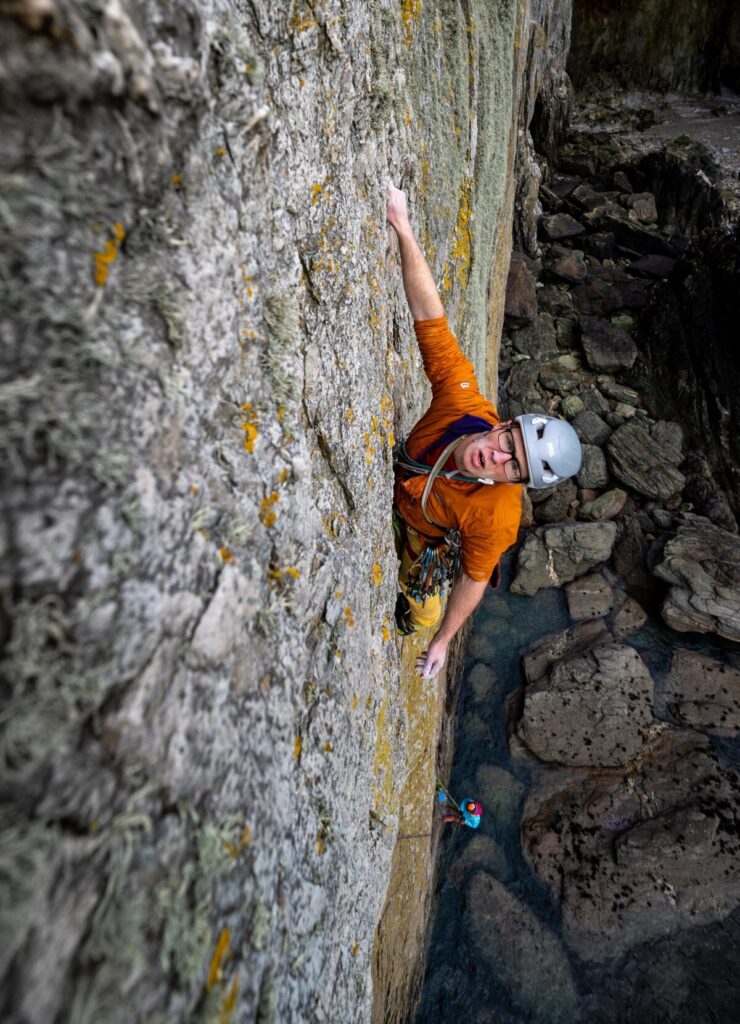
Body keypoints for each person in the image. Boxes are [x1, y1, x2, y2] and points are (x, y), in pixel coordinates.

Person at [387, 180, 582, 679]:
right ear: (505, 424)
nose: (495, 458)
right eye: (506, 443)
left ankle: (413, 616)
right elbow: (430, 317)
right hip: (413, 491)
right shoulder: (464, 402)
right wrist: (403, 227)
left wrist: (443, 639)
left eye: (511, 467)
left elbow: (474, 579)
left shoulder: (497, 517)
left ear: (517, 485)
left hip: (422, 532)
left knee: (426, 609)